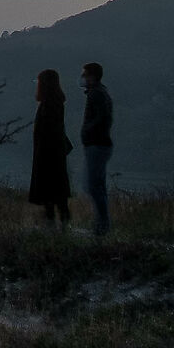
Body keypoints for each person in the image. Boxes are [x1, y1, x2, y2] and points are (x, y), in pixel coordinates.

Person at [28, 68, 72, 224]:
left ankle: (53, 221)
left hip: (48, 153)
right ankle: (59, 220)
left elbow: (48, 129)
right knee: (57, 190)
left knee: (49, 188)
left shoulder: (50, 104)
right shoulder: (55, 102)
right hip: (54, 152)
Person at [80, 62, 114, 236]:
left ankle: (101, 226)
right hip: (99, 144)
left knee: (93, 186)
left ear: (92, 76)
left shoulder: (96, 94)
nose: (83, 78)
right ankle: (101, 224)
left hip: (97, 144)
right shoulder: (100, 93)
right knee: (96, 186)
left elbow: (103, 117)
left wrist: (88, 131)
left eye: (85, 74)